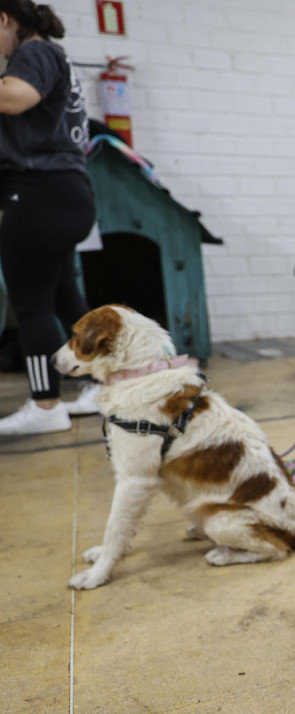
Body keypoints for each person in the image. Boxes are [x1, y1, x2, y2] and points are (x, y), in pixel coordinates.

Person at [0, 0, 98, 436]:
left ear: (4, 20)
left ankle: (46, 405)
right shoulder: (57, 56)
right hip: (68, 192)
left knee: (32, 303)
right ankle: (98, 384)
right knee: (63, 297)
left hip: (38, 193)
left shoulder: (33, 52)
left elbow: (17, 97)